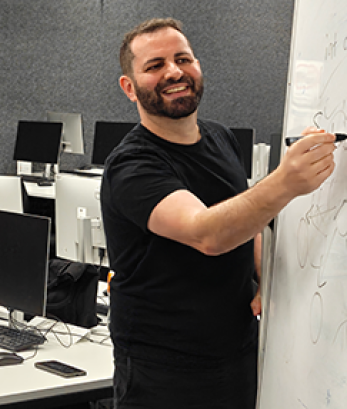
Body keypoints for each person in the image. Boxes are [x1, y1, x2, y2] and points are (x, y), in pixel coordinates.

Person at [101, 18, 336, 408]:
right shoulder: (133, 164)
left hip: (236, 351)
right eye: (155, 65)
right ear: (129, 87)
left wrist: (265, 278)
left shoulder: (220, 137)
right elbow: (207, 234)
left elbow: (246, 218)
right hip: (166, 370)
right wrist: (287, 181)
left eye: (183, 59)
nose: (174, 71)